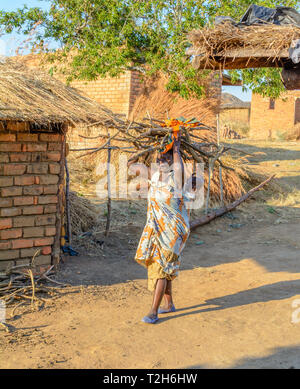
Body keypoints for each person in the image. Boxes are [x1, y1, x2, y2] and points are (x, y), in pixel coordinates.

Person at [128, 129, 192, 324]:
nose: (161, 161)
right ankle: (169, 304)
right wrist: (145, 149)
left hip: (173, 231)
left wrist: (176, 147)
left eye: (165, 158)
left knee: (162, 268)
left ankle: (153, 311)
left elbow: (178, 163)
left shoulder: (177, 178)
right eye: (159, 159)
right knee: (166, 267)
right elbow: (131, 165)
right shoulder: (154, 177)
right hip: (157, 230)